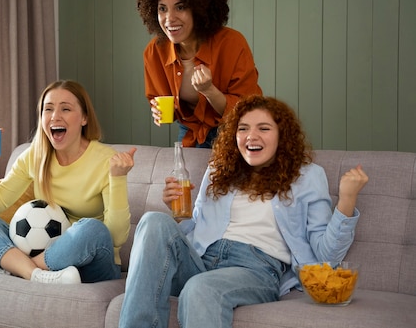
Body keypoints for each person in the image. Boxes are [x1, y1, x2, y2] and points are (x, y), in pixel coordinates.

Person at [118, 95, 368, 327]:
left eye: (264, 128)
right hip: (202, 259)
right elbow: (196, 226)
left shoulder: (308, 176)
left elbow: (326, 256)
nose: (251, 136)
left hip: (256, 269)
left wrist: (346, 200)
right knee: (154, 220)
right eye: (243, 128)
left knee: (200, 288)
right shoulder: (219, 169)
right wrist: (178, 213)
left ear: (282, 135)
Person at [0, 80, 136, 284]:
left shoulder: (106, 160)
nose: (55, 116)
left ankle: (15, 267)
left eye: (66, 109)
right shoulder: (35, 155)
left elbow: (115, 238)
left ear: (84, 118)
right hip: (45, 252)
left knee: (92, 228)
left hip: (93, 264)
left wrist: (118, 177)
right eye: (48, 109)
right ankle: (35, 273)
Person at [137, 0, 263, 148]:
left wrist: (209, 90)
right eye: (162, 9)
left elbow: (248, 112)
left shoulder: (232, 43)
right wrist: (161, 112)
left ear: (199, 9)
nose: (169, 18)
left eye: (180, 7)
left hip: (234, 130)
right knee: (184, 176)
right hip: (191, 130)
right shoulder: (154, 51)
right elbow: (165, 105)